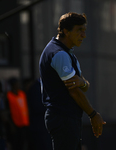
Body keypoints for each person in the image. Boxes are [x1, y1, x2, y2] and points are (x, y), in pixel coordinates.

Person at [39, 12, 106, 150]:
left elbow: (81, 86)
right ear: (65, 31)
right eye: (79, 30)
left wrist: (82, 82)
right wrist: (93, 114)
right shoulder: (59, 53)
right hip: (63, 117)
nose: (84, 35)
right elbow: (75, 92)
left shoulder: (65, 52)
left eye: (84, 30)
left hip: (65, 118)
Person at [6, 77, 30, 150]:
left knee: (23, 144)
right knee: (15, 145)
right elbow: (7, 111)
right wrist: (11, 125)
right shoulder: (8, 95)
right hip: (14, 125)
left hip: (24, 124)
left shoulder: (22, 94)